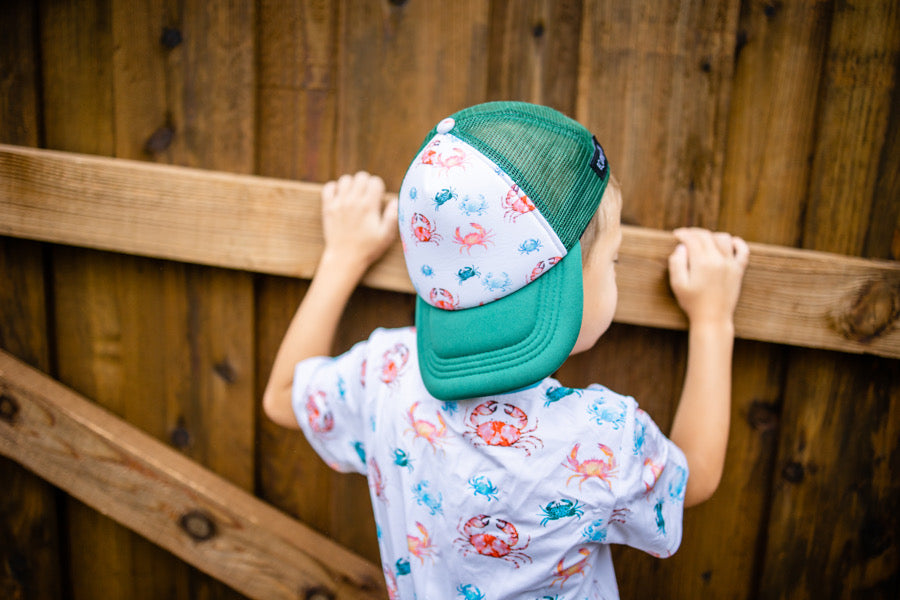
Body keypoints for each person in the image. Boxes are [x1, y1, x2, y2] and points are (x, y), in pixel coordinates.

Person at [263, 102, 749, 599]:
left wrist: (342, 257)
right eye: (614, 259)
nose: (617, 269)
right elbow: (696, 477)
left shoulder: (386, 373)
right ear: (566, 287)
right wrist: (713, 320)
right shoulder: (601, 438)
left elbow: (283, 398)